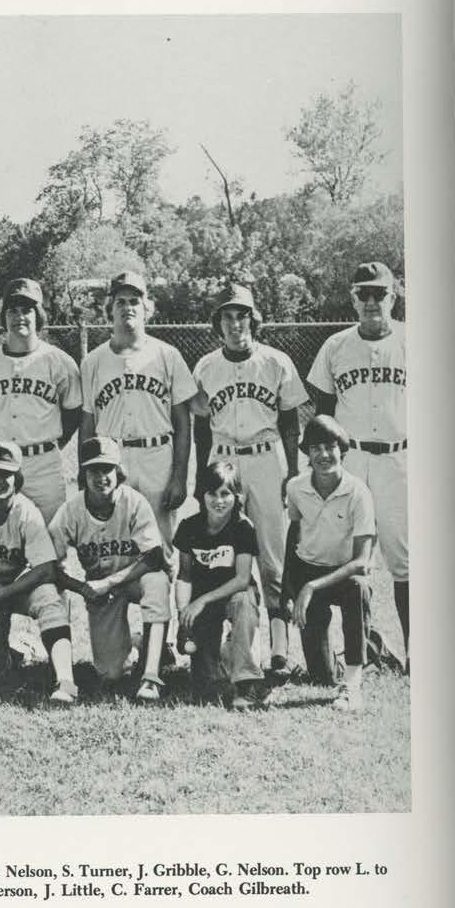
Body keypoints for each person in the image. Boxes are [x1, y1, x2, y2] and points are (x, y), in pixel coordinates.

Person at [191, 281, 307, 680]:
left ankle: (279, 648)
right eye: (227, 316)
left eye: (242, 315)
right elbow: (201, 428)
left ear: (253, 320)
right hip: (222, 457)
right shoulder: (206, 366)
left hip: (265, 457)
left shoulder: (276, 361)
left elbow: (290, 423)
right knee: (222, 551)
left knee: (272, 555)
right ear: (218, 323)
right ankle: (226, 644)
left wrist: (292, 473)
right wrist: (200, 477)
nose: (235, 323)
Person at [306, 259, 408, 667]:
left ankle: (417, 654)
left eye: (378, 293)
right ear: (352, 299)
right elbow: (323, 416)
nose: (370, 301)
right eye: (362, 293)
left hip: (399, 459)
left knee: (404, 560)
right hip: (350, 461)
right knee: (348, 557)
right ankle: (363, 649)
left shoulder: (413, 341)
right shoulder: (335, 346)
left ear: (393, 297)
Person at [0, 440, 76, 702]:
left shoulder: (26, 511)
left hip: (20, 586)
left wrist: (6, 591)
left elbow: (44, 568)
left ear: (17, 478)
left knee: (48, 598)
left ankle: (65, 681)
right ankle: (20, 650)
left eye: (5, 474)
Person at [79, 269, 195, 550]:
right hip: (111, 460)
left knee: (161, 545)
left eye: (134, 301)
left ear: (147, 308)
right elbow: (87, 424)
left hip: (157, 458)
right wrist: (85, 474)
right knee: (113, 543)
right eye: (120, 301)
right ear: (110, 309)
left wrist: (179, 476)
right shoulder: (93, 361)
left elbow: (182, 422)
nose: (128, 307)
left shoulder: (167, 355)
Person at [49, 435, 170, 702]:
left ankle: (151, 677)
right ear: (83, 474)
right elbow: (49, 565)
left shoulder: (134, 502)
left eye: (107, 469)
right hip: (101, 591)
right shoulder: (70, 511)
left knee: (157, 582)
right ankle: (139, 642)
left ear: (119, 471)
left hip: (134, 577)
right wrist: (82, 588)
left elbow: (154, 557)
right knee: (111, 673)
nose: (101, 477)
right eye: (94, 470)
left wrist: (109, 583)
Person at [0, 277, 81, 523]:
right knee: (2, 535)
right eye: (12, 310)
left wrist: (51, 443)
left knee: (51, 534)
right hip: (0, 467)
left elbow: (73, 413)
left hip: (44, 466)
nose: (20, 317)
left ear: (38, 315)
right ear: (4, 316)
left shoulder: (60, 361)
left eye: (27, 310)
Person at [282, 414, 376, 713]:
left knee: (358, 588)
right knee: (322, 678)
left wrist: (310, 587)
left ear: (342, 450)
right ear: (307, 454)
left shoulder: (358, 492)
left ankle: (353, 684)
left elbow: (361, 561)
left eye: (330, 447)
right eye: (315, 448)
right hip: (309, 569)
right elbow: (293, 533)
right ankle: (371, 650)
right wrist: (289, 586)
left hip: (345, 574)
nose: (323, 455)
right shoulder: (296, 487)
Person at [173, 459, 263, 710]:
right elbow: (184, 575)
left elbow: (242, 579)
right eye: (212, 493)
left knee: (243, 602)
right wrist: (183, 616)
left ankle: (246, 682)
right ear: (202, 494)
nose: (219, 501)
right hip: (204, 602)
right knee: (206, 688)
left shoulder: (243, 527)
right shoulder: (189, 526)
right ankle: (224, 655)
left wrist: (201, 600)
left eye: (225, 494)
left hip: (235, 594)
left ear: (236, 496)